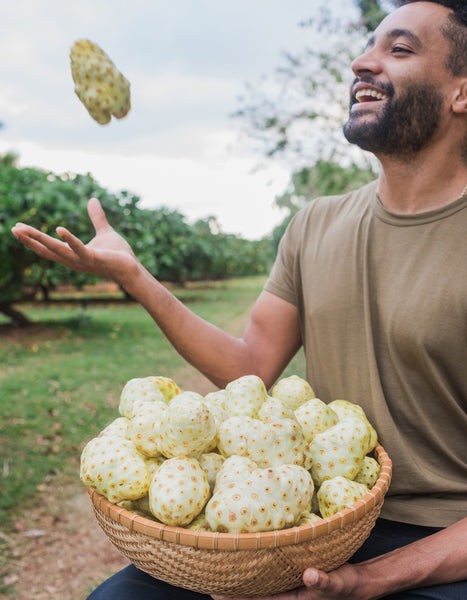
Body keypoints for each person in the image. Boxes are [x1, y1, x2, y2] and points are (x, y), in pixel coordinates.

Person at [11, 1, 467, 598]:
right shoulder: (315, 224)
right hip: (316, 513)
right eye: (367, 46)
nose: (362, 62)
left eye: (398, 50)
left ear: (461, 92)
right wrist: (137, 279)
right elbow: (251, 366)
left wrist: (367, 581)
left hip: (441, 545)